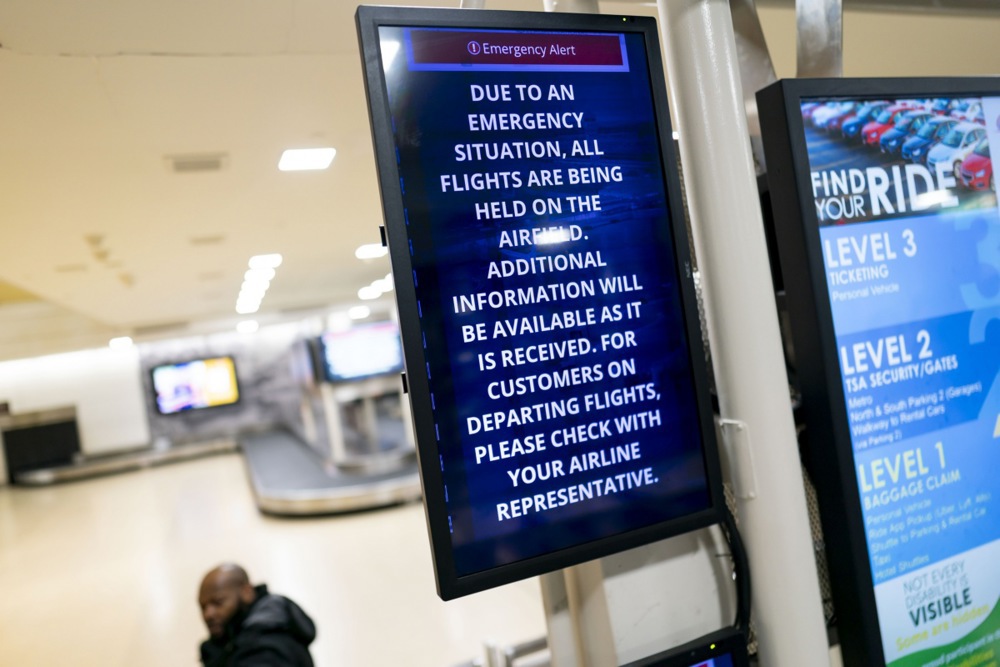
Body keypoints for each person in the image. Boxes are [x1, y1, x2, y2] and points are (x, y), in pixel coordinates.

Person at [198, 563, 316, 666]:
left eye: (218, 603)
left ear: (247, 592)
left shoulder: (266, 646)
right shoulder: (231, 644)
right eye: (203, 607)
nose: (208, 614)